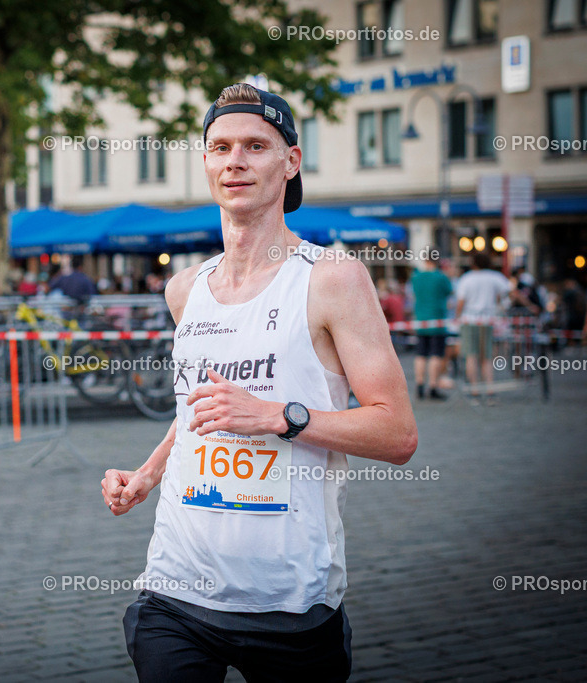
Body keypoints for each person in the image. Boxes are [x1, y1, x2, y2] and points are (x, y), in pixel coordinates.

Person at [101, 82, 417, 682]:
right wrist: (147, 473)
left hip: (289, 600)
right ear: (205, 162)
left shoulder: (332, 279)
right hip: (176, 587)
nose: (235, 162)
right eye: (220, 148)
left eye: (255, 146)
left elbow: (397, 434)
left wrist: (277, 416)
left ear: (290, 161)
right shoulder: (185, 290)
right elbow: (199, 409)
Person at [454, 252, 511, 403]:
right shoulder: (495, 277)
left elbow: (461, 302)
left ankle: (475, 390)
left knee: (471, 356)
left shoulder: (467, 278)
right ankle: (490, 389)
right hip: (487, 320)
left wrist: (457, 317)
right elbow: (507, 293)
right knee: (487, 357)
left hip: (469, 320)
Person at [410, 257, 453, 399]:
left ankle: (419, 385)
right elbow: (449, 292)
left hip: (421, 320)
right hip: (437, 320)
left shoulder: (416, 277)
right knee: (436, 354)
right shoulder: (441, 277)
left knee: (420, 354)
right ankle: (433, 386)